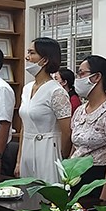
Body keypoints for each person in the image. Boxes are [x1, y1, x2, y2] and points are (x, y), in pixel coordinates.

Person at [70, 55, 106, 201]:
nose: (78, 79)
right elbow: (75, 147)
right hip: (76, 175)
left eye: (81, 73)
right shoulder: (80, 110)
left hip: (97, 179)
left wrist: (104, 199)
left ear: (96, 77)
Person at [16, 37, 72, 183]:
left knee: (47, 191)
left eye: (32, 53)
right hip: (28, 149)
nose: (27, 57)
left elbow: (67, 132)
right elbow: (24, 127)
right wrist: (19, 160)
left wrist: (61, 156)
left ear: (45, 60)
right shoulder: (27, 88)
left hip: (48, 150)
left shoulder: (56, 91)